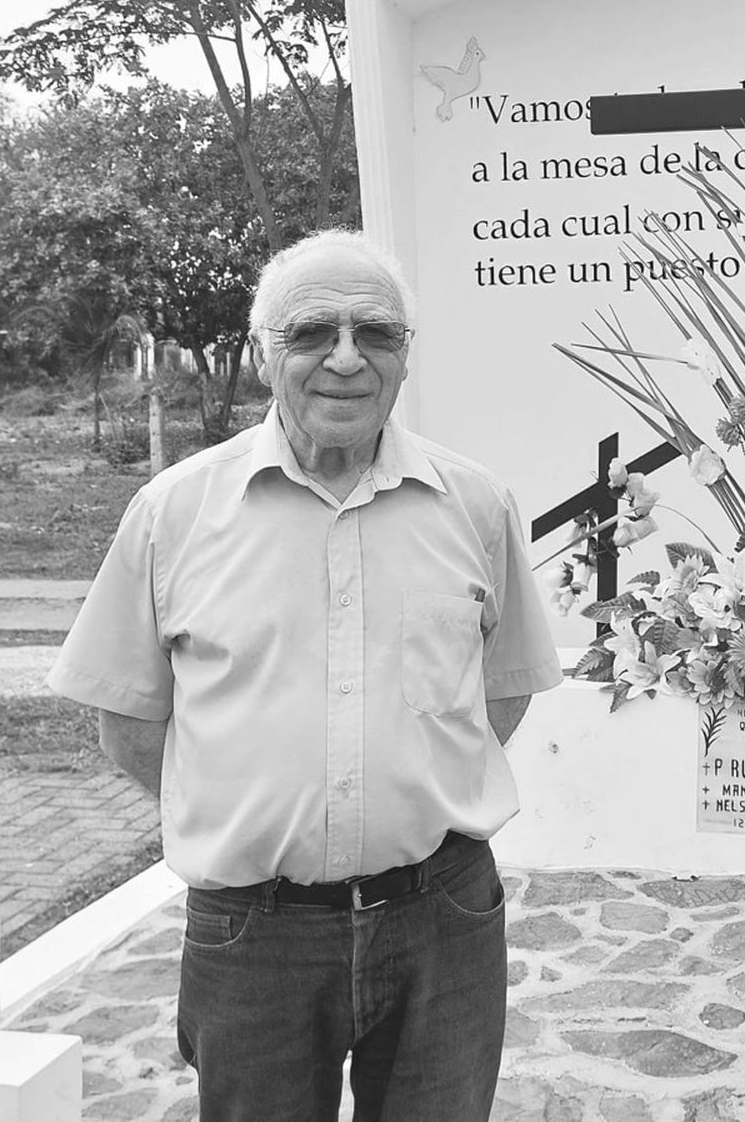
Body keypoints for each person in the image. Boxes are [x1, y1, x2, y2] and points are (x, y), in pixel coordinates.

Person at [47, 229, 562, 1122]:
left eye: (377, 333)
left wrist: (413, 785)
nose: (347, 359)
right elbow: (129, 726)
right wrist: (247, 809)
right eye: (313, 332)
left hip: (444, 919)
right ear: (262, 353)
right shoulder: (173, 513)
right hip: (255, 935)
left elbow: (501, 691)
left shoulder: (475, 504)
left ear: (406, 356)